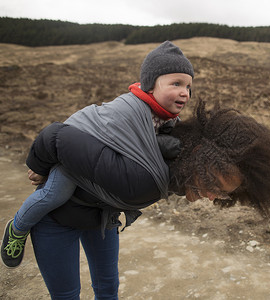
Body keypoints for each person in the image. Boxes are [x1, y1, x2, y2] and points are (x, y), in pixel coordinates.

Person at [1, 40, 194, 271]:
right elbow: (114, 138)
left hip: (95, 174)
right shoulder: (129, 109)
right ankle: (18, 227)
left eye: (189, 87)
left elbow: (146, 147)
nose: (185, 92)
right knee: (55, 193)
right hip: (72, 160)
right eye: (176, 83)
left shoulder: (169, 120)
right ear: (151, 85)